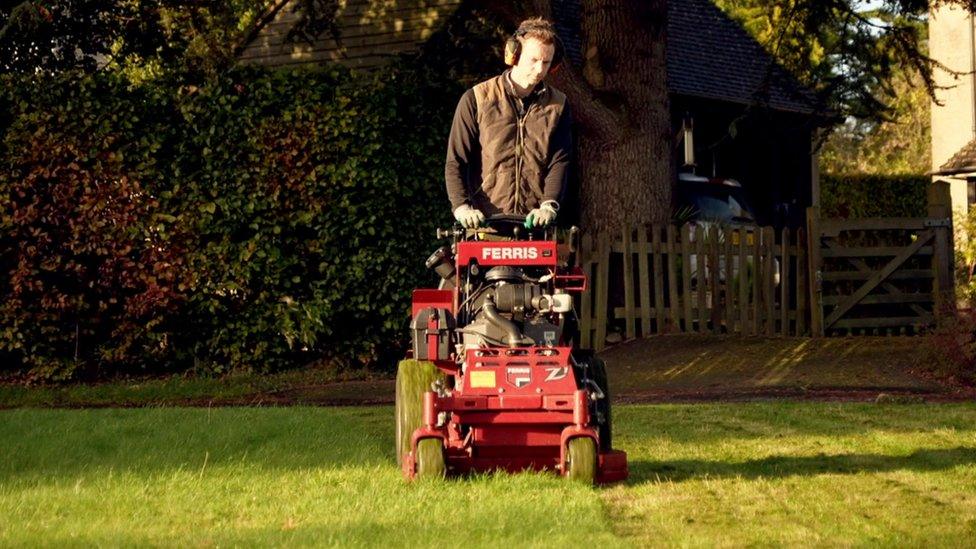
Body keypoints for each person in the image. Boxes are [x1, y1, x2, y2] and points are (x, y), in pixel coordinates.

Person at [444, 17, 572, 230]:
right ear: (514, 55)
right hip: (484, 223)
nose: (540, 69)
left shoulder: (558, 105)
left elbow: (560, 161)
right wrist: (462, 207)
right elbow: (455, 161)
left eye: (546, 62)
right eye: (534, 60)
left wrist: (549, 205)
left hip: (534, 224)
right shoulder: (476, 98)